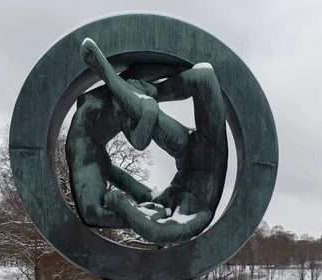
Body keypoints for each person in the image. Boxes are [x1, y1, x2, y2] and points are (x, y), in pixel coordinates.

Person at [68, 38, 228, 244]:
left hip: (186, 152)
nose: (152, 209)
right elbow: (159, 233)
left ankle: (118, 79)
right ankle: (140, 88)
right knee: (204, 77)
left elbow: (151, 225)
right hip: (209, 147)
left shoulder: (162, 203)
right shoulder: (199, 216)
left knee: (147, 112)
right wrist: (123, 206)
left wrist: (122, 203)